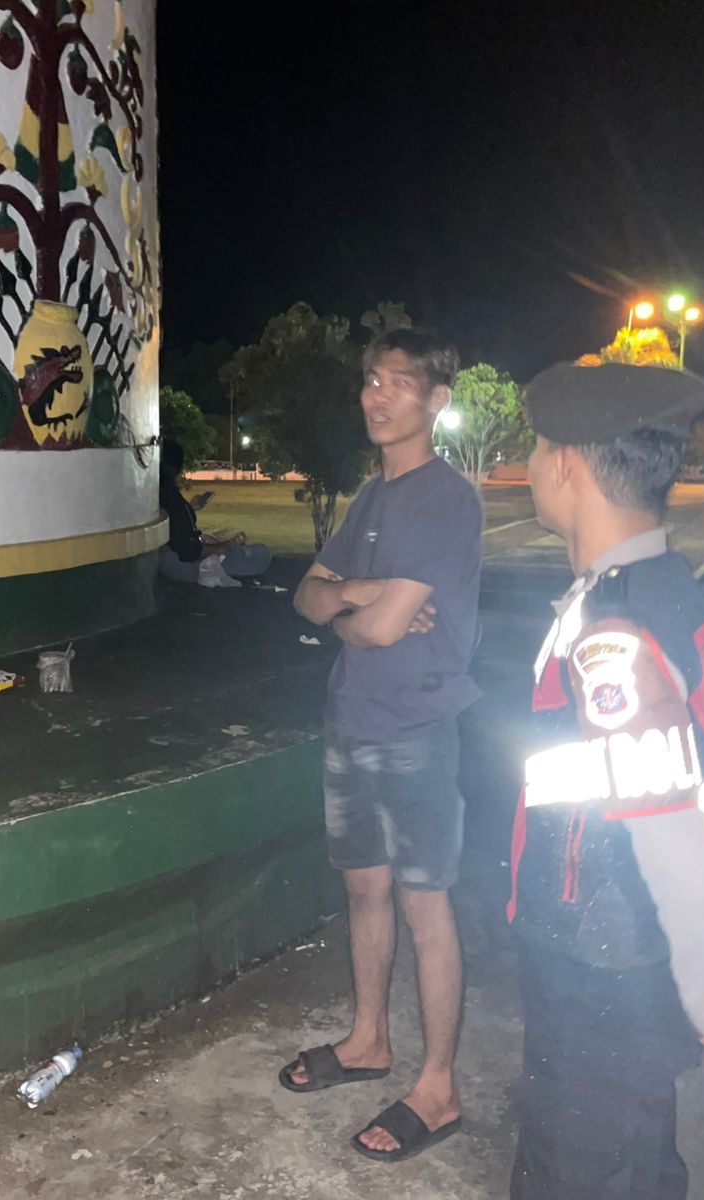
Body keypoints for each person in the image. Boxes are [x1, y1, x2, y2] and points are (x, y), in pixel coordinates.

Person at [508, 362, 704, 1198]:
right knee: (642, 1165)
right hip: (632, 975)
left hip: (605, 976)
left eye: (535, 449)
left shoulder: (614, 635)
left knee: (583, 1173)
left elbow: (680, 855)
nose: (529, 466)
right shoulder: (668, 592)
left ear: (566, 467)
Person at [287, 328, 483, 1163]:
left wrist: (348, 608)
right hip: (351, 721)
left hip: (416, 730)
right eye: (372, 379)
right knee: (364, 890)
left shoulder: (447, 499)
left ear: (437, 400)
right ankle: (369, 1039)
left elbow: (375, 628)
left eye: (400, 382)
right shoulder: (370, 497)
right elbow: (306, 597)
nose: (378, 394)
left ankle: (438, 1087)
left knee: (424, 904)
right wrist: (357, 597)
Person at [157, 438, 272, 585]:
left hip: (174, 556)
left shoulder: (163, 492)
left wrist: (191, 508)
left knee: (220, 542)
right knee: (261, 553)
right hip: (182, 566)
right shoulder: (171, 497)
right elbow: (188, 550)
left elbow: (174, 523)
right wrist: (224, 546)